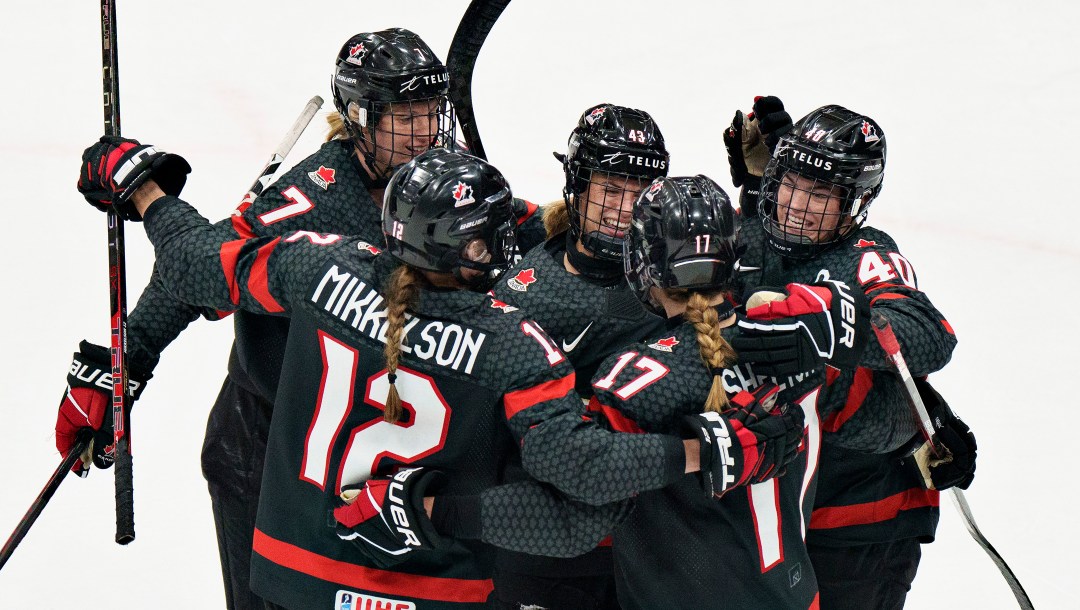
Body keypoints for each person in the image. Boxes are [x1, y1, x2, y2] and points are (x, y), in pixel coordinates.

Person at [68, 144, 804, 609]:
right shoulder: (515, 344)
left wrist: (146, 195)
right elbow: (579, 489)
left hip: (294, 571)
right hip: (433, 587)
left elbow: (198, 264)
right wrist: (701, 451)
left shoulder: (315, 262)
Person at [54, 28, 532, 610]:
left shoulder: (443, 187)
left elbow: (523, 233)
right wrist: (123, 363)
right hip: (266, 453)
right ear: (358, 117)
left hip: (379, 464)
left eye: (430, 112)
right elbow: (203, 272)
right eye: (402, 116)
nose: (423, 132)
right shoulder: (315, 200)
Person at [724, 100, 976, 609]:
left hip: (862, 521)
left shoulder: (866, 254)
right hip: (774, 511)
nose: (797, 204)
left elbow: (928, 336)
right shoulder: (748, 235)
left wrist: (829, 318)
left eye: (820, 193)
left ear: (856, 202)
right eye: (791, 184)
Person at [592, 173, 871, 609]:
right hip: (796, 596)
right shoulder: (804, 346)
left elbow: (574, 486)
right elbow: (872, 420)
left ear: (644, 259)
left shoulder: (638, 380)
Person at [485, 102, 673, 609]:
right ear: (579, 186)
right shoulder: (524, 292)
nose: (623, 209)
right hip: (546, 550)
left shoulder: (672, 279)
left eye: (638, 193)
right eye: (611, 189)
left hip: (649, 546)